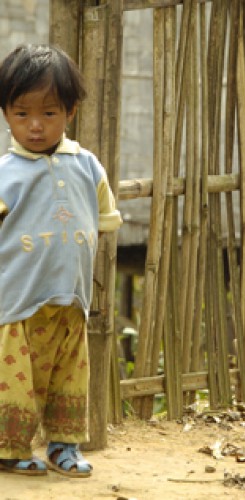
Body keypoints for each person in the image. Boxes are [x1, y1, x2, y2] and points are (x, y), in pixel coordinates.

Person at [0, 44, 122, 477]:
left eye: (48, 113)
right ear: (5, 114)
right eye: (21, 114)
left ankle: (62, 447)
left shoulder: (88, 167)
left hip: (71, 299)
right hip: (14, 305)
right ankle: (9, 448)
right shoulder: (4, 175)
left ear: (69, 111)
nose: (35, 126)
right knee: (14, 382)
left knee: (69, 376)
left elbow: (104, 219)